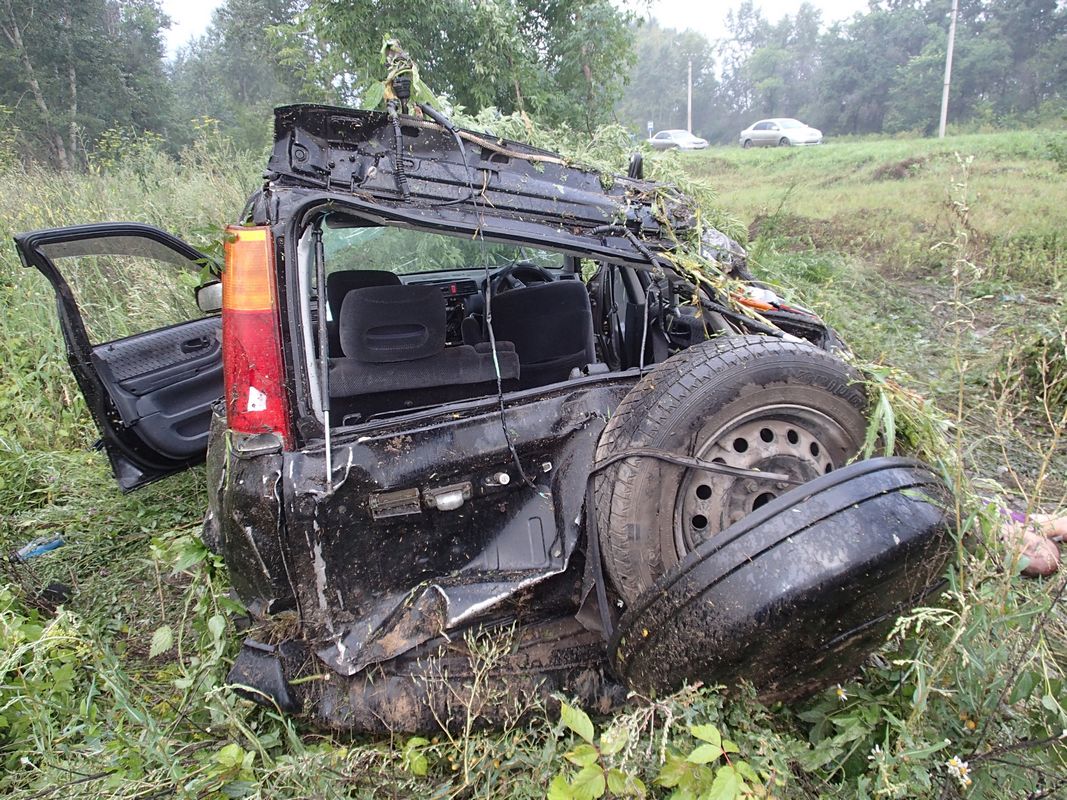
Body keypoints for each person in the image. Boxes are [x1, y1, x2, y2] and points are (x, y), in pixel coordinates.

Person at [1002, 511, 1067, 578]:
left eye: (1024, 558)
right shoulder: (1022, 521)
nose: (1025, 549)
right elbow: (1060, 523)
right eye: (1037, 546)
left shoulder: (992, 552)